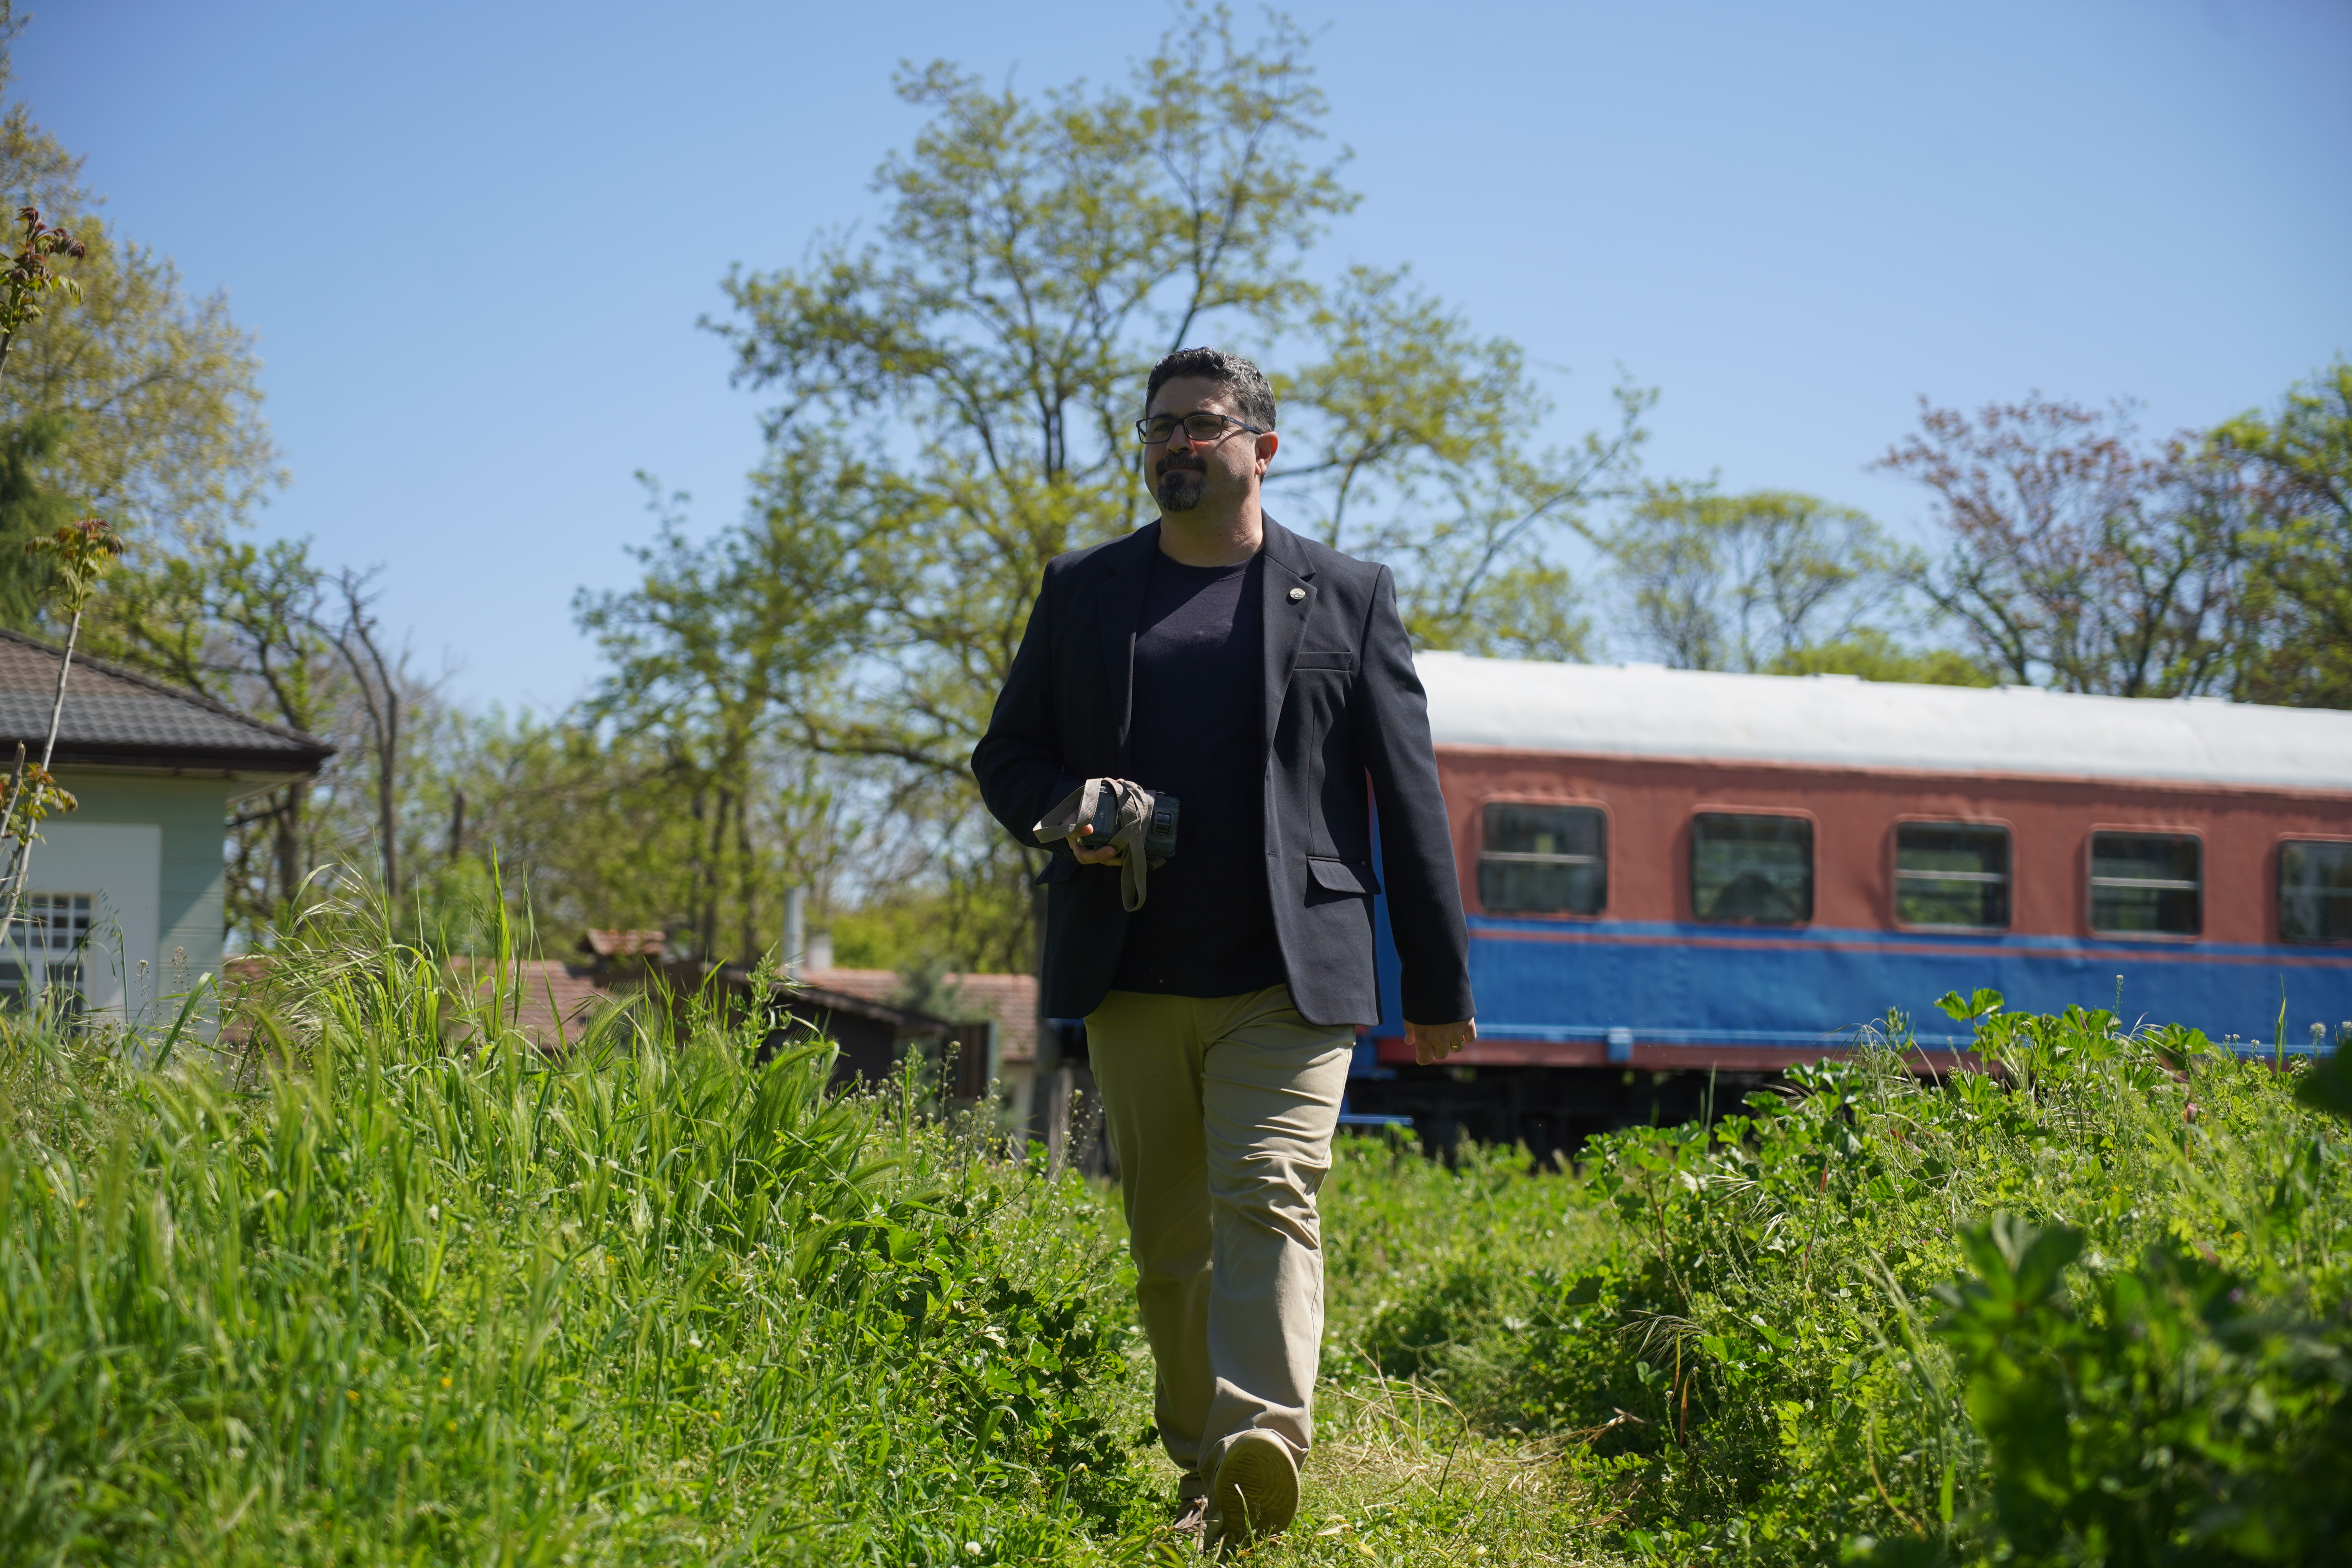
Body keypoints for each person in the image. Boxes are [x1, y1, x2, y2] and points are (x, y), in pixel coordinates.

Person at [971, 347, 1475, 1552]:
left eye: (1200, 425)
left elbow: (1408, 800)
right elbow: (1010, 758)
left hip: (1290, 978)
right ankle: (1203, 1470)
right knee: (1169, 1253)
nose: (1173, 445)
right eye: (1156, 429)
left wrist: (1440, 983)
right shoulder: (1087, 589)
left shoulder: (1345, 595)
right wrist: (1069, 813)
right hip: (1131, 975)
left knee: (1271, 1197)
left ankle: (1262, 1442)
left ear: (1263, 446)